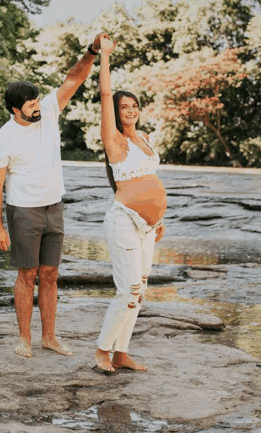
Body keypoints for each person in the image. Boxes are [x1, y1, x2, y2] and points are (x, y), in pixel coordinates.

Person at [0, 32, 106, 358]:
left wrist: (92, 51)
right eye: (30, 105)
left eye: (38, 101)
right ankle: (25, 340)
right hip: (24, 210)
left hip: (55, 206)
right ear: (15, 109)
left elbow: (75, 78)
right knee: (27, 275)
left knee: (51, 274)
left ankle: (49, 338)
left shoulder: (50, 111)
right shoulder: (3, 139)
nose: (37, 107)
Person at [94, 36, 166, 372]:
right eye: (125, 107)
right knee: (129, 290)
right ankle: (102, 352)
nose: (131, 110)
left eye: (135, 105)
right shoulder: (115, 139)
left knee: (142, 291)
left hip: (148, 227)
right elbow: (105, 93)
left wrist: (157, 218)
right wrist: (104, 55)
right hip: (123, 222)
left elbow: (150, 182)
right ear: (115, 112)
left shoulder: (145, 139)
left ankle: (122, 353)